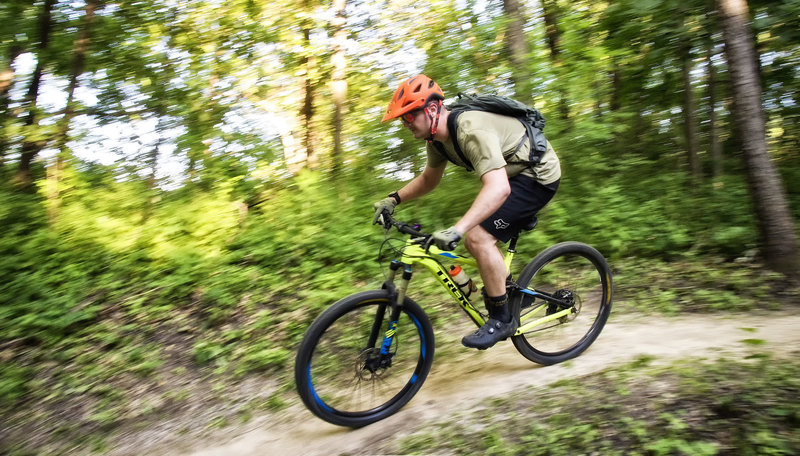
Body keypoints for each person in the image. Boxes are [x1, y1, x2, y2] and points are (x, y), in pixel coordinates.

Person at [373, 74, 561, 350]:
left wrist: (458, 230)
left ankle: (501, 319)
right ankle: (509, 292)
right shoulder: (436, 139)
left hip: (538, 174)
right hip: (510, 175)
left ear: (433, 109)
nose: (406, 124)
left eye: (410, 116)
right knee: (477, 231)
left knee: (476, 237)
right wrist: (393, 199)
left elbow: (498, 188)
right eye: (403, 119)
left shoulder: (471, 130)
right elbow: (429, 179)